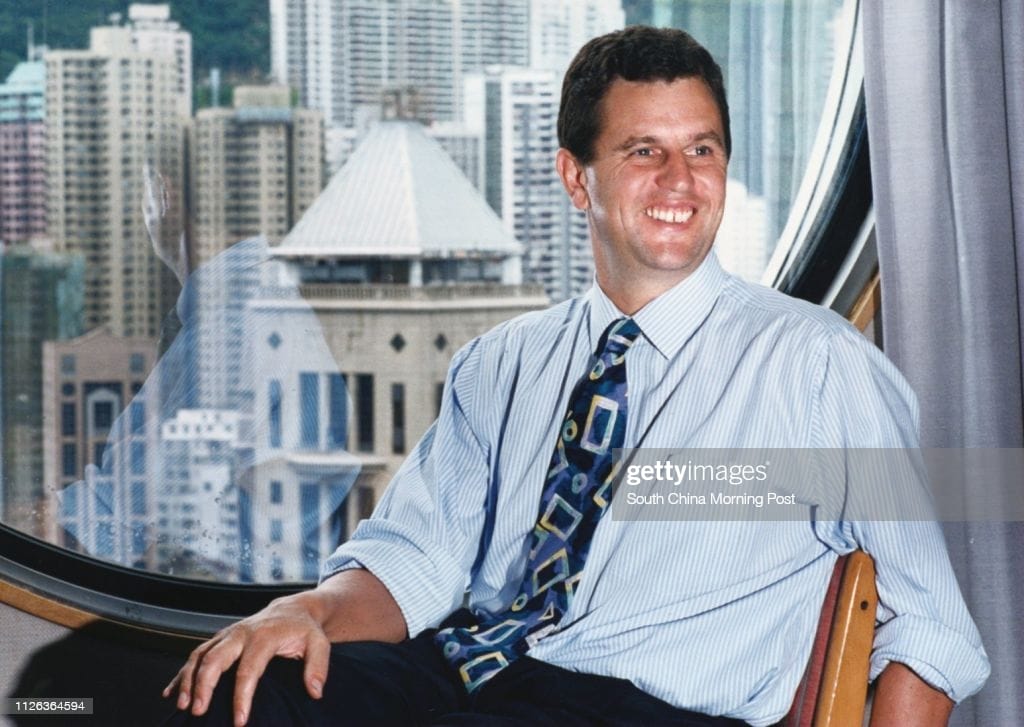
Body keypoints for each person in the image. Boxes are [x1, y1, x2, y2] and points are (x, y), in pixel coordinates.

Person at [164, 26, 988, 726]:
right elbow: (413, 564)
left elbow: (933, 630)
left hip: (648, 704)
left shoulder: (819, 368)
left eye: (702, 149)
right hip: (477, 674)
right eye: (644, 152)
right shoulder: (500, 363)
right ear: (575, 175)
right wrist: (303, 610)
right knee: (237, 691)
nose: (680, 181)